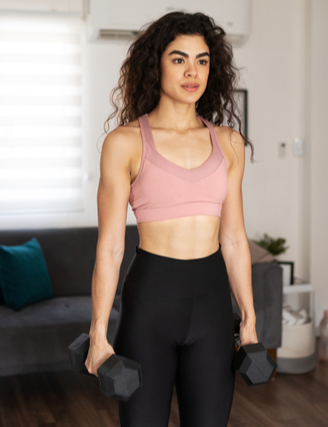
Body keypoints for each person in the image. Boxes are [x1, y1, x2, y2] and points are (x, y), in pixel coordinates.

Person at [86, 11, 258, 427]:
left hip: (211, 304)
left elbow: (233, 238)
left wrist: (250, 318)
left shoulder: (229, 143)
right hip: (150, 304)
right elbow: (110, 245)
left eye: (202, 60)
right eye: (179, 59)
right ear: (156, 64)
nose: (192, 71)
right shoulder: (125, 143)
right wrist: (97, 331)